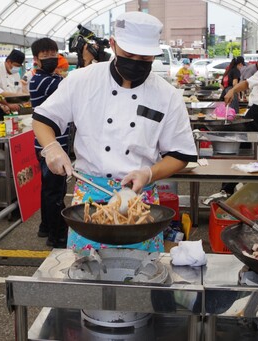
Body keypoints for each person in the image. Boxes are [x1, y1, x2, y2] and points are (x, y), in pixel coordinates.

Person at [33, 11, 197, 252]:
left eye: (145, 56)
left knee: (144, 275)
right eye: (129, 54)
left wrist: (148, 174)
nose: (136, 61)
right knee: (87, 274)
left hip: (139, 200)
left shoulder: (167, 96)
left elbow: (181, 155)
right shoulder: (82, 80)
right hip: (90, 197)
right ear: (113, 44)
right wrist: (51, 147)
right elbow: (43, 119)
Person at [30, 37, 69, 248]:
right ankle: (57, 236)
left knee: (50, 189)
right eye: (45, 56)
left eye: (54, 54)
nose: (51, 59)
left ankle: (45, 226)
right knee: (55, 191)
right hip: (51, 146)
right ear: (36, 59)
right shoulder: (44, 81)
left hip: (47, 144)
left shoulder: (47, 77)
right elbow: (71, 86)